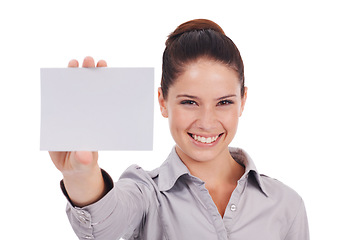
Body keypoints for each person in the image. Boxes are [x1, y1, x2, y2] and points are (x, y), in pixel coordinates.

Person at [49, 19, 309, 240]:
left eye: (224, 102)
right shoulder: (146, 194)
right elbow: (104, 224)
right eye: (189, 102)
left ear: (243, 101)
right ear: (163, 102)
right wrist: (81, 174)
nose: (207, 121)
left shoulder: (286, 205)